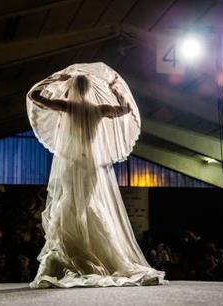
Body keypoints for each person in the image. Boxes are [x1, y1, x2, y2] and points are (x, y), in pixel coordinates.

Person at [26, 62, 168, 288]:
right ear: (90, 89)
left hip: (72, 165)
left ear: (72, 88)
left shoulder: (66, 105)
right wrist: (116, 90)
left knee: (69, 205)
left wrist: (56, 79)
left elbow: (35, 96)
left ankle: (72, 254)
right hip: (91, 165)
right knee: (85, 206)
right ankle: (91, 252)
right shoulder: (98, 109)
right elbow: (125, 110)